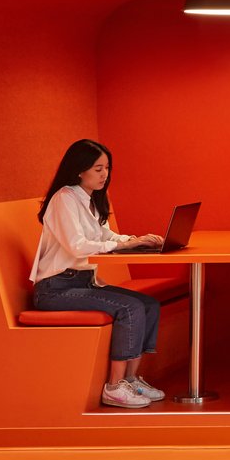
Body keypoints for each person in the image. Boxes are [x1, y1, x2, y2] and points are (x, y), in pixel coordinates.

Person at [30, 139, 167, 409]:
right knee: (129, 308)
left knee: (149, 305)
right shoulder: (64, 199)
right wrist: (123, 245)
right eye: (97, 169)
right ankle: (114, 388)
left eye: (107, 168)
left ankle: (130, 378)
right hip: (55, 289)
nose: (104, 175)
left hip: (82, 283)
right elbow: (77, 246)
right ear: (80, 170)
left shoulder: (89, 199)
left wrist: (137, 240)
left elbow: (106, 236)